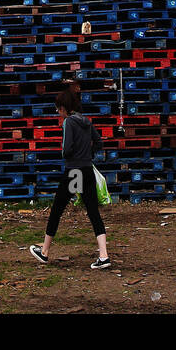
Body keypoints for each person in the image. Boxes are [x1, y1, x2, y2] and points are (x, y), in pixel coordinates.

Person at [30, 87, 110, 269]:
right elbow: (99, 142)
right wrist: (87, 154)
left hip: (74, 172)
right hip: (87, 169)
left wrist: (70, 155)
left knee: (57, 208)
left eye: (59, 109)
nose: (58, 112)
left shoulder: (68, 123)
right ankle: (104, 255)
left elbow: (66, 150)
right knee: (93, 212)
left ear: (64, 108)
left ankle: (44, 252)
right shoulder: (86, 122)